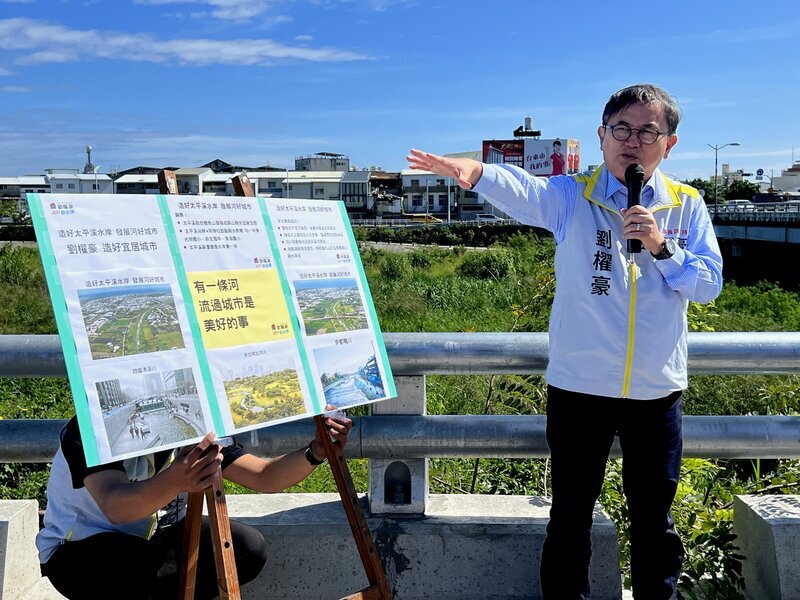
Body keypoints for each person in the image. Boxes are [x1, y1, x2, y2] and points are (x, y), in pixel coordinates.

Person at [407, 83, 722, 599]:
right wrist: (476, 173)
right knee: (570, 517)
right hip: (579, 389)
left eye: (648, 131)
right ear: (601, 136)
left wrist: (662, 248)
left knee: (654, 523)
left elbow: (708, 286)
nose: (633, 141)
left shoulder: (687, 206)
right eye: (621, 129)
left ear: (670, 143)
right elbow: (525, 190)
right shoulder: (574, 196)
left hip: (657, 392)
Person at [37, 405, 352, 600]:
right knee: (141, 564)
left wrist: (315, 452)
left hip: (148, 543)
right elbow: (116, 506)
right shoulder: (89, 428)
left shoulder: (186, 420)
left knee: (245, 547)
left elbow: (264, 476)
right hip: (77, 552)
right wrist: (176, 480)